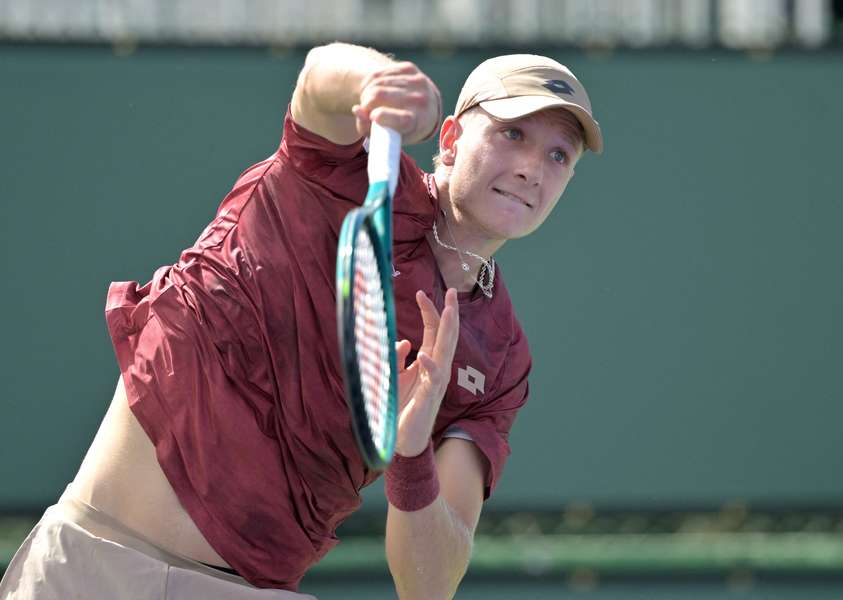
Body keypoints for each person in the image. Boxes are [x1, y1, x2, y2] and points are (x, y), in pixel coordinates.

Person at [0, 42, 602, 599]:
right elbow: (319, 81)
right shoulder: (333, 180)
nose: (531, 167)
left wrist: (412, 451)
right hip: (94, 568)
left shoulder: (498, 358)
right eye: (512, 133)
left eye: (558, 154)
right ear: (448, 138)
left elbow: (430, 584)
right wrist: (377, 81)